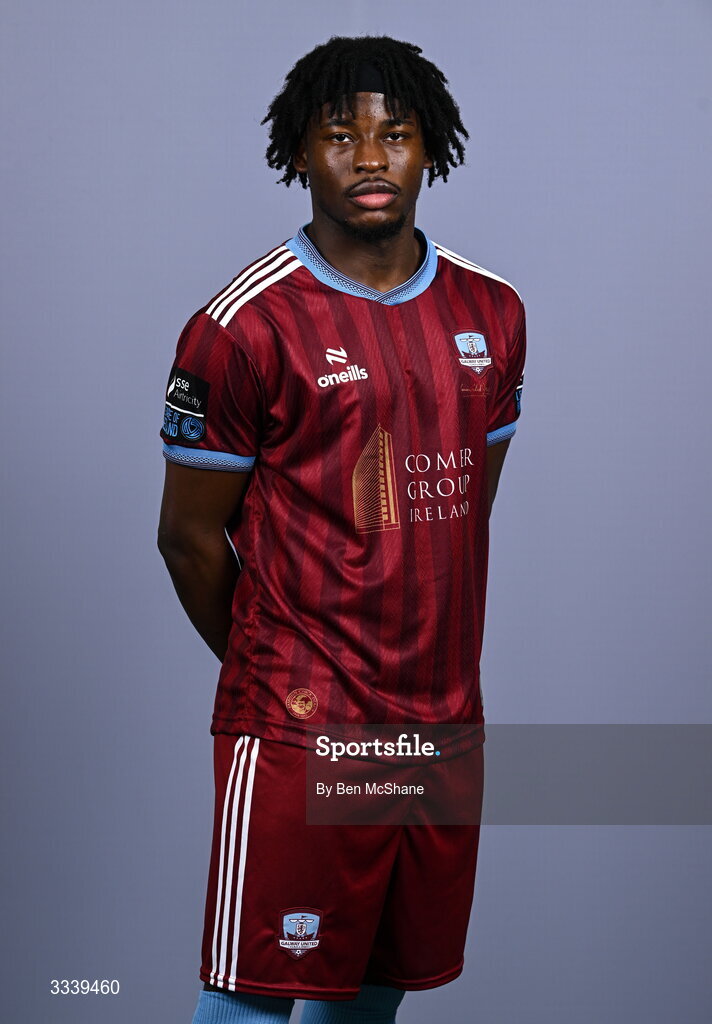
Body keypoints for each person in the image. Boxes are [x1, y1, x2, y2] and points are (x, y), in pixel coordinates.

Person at [158, 34, 526, 1024]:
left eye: (395, 135)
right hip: (300, 732)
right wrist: (281, 669)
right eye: (340, 136)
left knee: (371, 991)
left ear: (430, 149)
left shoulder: (491, 312)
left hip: (438, 729)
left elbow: (456, 510)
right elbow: (189, 540)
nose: (369, 158)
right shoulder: (241, 327)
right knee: (256, 995)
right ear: (299, 155)